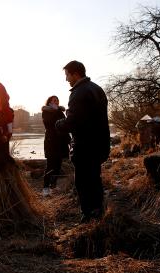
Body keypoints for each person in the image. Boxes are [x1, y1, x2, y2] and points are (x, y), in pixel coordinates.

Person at [55, 60, 110, 223]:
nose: (66, 79)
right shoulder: (97, 89)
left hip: (85, 145)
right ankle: (98, 211)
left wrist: (58, 123)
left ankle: (88, 215)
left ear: (75, 74)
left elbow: (73, 121)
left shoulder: (79, 92)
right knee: (94, 178)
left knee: (83, 182)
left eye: (67, 75)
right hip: (100, 143)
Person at [41, 95, 70, 197]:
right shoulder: (46, 112)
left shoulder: (60, 112)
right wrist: (55, 111)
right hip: (51, 141)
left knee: (58, 165)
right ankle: (45, 188)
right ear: (49, 102)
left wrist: (69, 139)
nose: (56, 102)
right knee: (50, 165)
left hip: (61, 142)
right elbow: (49, 124)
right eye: (54, 100)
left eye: (57, 100)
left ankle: (53, 186)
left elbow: (65, 125)